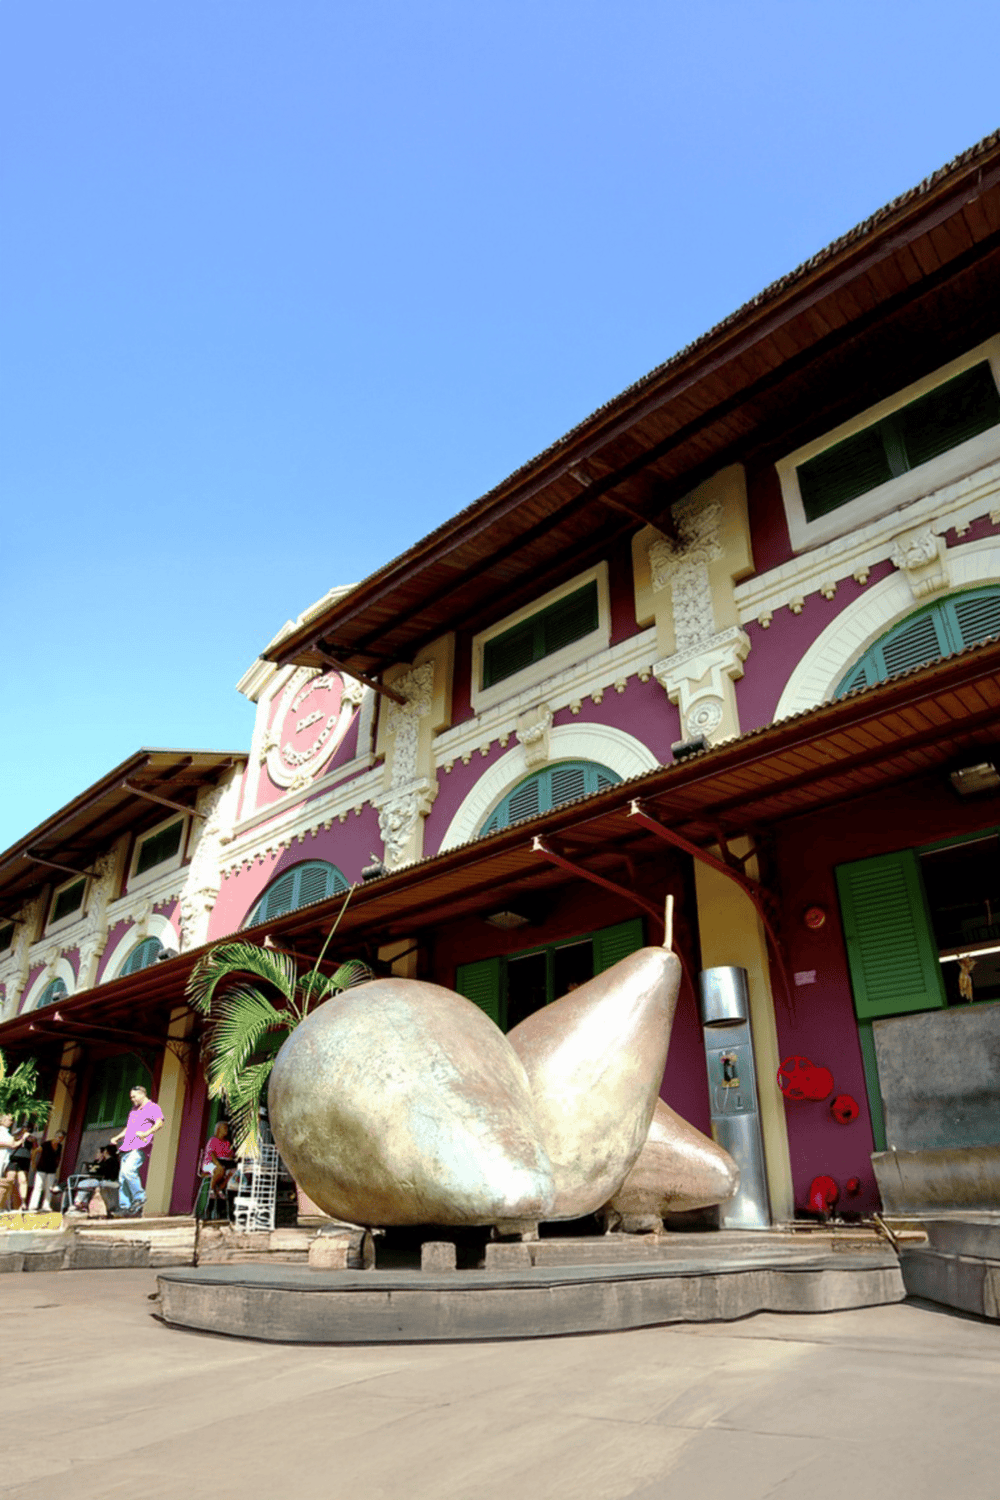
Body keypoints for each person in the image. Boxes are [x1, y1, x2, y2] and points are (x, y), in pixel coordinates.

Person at [109, 1085, 164, 1218]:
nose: (132, 1099)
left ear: (142, 1094)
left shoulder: (152, 1107)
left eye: (134, 1096)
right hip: (127, 1146)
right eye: (131, 1097)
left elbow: (159, 1123)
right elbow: (129, 1128)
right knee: (122, 1177)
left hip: (140, 1147)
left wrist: (147, 1133)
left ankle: (139, 1197)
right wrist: (117, 1137)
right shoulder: (133, 1110)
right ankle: (126, 1207)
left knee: (129, 1171)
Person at [68, 1144, 120, 1214]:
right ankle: (81, 1203)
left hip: (107, 1181)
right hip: (103, 1180)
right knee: (86, 1183)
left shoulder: (111, 1161)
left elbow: (104, 1173)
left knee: (85, 1183)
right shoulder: (109, 1161)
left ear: (106, 1152)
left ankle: (79, 1202)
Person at [200, 1120, 235, 1215]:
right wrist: (218, 1165)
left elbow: (230, 1155)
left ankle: (219, 1189)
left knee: (234, 1171)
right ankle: (212, 1189)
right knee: (220, 1169)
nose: (227, 1130)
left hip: (223, 1165)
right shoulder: (213, 1140)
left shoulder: (227, 1143)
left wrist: (231, 1157)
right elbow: (211, 1154)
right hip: (209, 1164)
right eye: (225, 1128)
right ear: (219, 1129)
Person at [29, 1130, 67, 1212]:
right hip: (42, 1168)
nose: (60, 1140)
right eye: (59, 1137)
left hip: (52, 1169)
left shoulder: (59, 1146)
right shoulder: (46, 1144)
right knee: (38, 1186)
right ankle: (33, 1205)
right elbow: (35, 1151)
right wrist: (33, 1163)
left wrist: (57, 1164)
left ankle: (46, 1205)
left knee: (49, 1187)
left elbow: (58, 1157)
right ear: (56, 1136)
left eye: (62, 1138)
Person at [5, 1130, 37, 1211]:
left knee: (23, 1181)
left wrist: (32, 1161)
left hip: (24, 1161)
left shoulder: (31, 1138)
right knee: (10, 1181)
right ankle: (6, 1202)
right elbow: (13, 1145)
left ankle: (23, 1203)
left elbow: (34, 1149)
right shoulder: (15, 1136)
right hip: (14, 1159)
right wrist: (23, 1138)